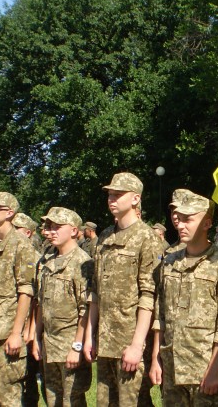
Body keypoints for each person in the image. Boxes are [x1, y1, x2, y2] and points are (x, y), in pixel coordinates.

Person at [149, 190, 218, 405]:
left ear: (207, 223)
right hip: (172, 369)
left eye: (188, 220)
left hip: (205, 369)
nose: (181, 225)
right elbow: (160, 314)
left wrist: (215, 368)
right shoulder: (169, 263)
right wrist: (156, 358)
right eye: (179, 219)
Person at [85, 172, 161, 406]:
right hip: (105, 342)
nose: (111, 199)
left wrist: (137, 346)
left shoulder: (147, 238)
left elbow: (149, 296)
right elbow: (95, 291)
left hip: (130, 342)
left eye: (118, 194)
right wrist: (89, 336)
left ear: (135, 199)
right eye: (110, 194)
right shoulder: (105, 237)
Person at [0, 192, 38, 407]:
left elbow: (26, 291)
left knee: (9, 395)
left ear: (10, 213)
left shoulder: (21, 245)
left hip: (6, 333)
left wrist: (16, 333)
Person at [33, 207, 93, 406]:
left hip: (69, 345)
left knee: (72, 400)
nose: (50, 231)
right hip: (49, 344)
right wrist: (37, 337)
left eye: (57, 227)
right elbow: (41, 302)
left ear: (74, 231)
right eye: (49, 226)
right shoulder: (48, 262)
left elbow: (85, 309)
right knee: (52, 399)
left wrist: (77, 346)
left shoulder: (83, 263)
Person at [11, 211, 43, 407]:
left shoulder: (35, 259)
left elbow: (35, 299)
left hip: (26, 327)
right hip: (8, 323)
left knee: (27, 377)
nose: (12, 231)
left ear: (28, 233)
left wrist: (30, 330)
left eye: (17, 229)